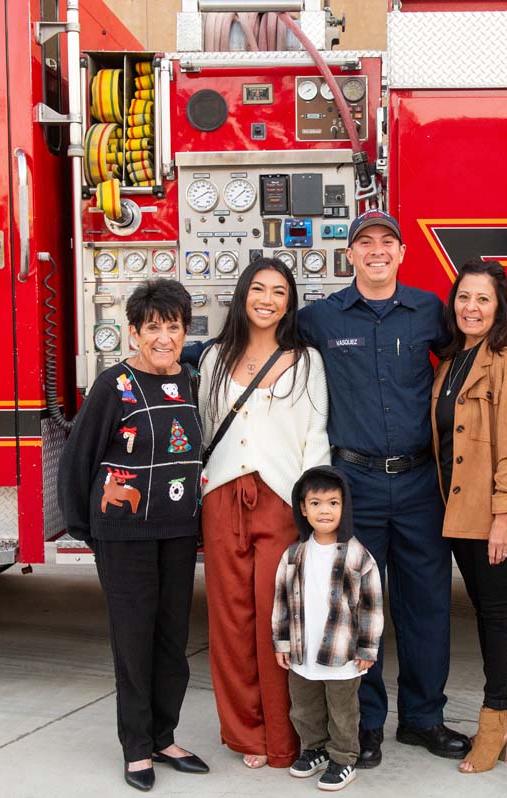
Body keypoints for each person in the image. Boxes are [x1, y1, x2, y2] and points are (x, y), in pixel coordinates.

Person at [298, 209, 469, 767]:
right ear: (349, 255)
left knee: (426, 606)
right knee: (358, 610)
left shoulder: (428, 311)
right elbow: (263, 345)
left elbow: (469, 360)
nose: (376, 250)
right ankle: (365, 725)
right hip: (355, 485)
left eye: (386, 242)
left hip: (421, 483)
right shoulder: (320, 318)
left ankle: (423, 719)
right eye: (364, 242)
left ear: (401, 253)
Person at [58, 278, 208, 792]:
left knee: (172, 638)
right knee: (134, 639)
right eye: (153, 327)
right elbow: (79, 459)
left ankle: (165, 737)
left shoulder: (189, 380)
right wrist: (84, 527)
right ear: (133, 333)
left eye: (173, 327)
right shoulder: (113, 386)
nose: (163, 337)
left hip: (177, 529)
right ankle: (136, 747)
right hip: (124, 533)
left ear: (186, 331)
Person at [198, 257, 331, 770]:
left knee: (279, 623)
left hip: (281, 498)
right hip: (222, 499)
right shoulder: (213, 359)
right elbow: (208, 430)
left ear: (290, 303)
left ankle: (284, 737)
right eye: (258, 288)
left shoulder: (306, 362)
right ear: (242, 295)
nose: (268, 299)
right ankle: (245, 734)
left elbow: (315, 439)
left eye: (280, 291)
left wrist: (315, 510)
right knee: (229, 623)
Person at [429, 260, 507, 773]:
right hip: (459, 509)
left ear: (500, 309)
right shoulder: (453, 359)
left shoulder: (505, 361)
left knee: (498, 616)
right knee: (482, 610)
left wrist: (505, 516)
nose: (471, 308)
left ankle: (494, 720)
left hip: (496, 512)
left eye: (483, 300)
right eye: (464, 298)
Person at [272, 466, 383, 792]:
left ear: (344, 507)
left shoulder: (357, 555)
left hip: (343, 653)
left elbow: (372, 605)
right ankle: (315, 748)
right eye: (316, 503)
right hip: (302, 650)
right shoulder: (294, 554)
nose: (325, 510)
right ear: (303, 509)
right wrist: (281, 643)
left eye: (333, 503)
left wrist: (367, 648)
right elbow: (280, 599)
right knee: (304, 707)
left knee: (343, 711)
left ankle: (344, 757)